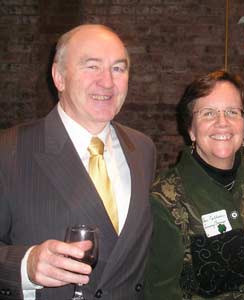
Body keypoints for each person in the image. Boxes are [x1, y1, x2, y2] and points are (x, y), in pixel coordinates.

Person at [0, 24, 156, 299]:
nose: (107, 82)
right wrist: (26, 264)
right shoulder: (9, 150)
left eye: (118, 68)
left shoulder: (142, 148)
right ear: (59, 77)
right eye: (92, 66)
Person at [144, 70, 244, 300]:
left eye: (232, 112)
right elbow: (160, 291)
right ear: (191, 129)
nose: (222, 123)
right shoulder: (166, 197)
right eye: (208, 113)